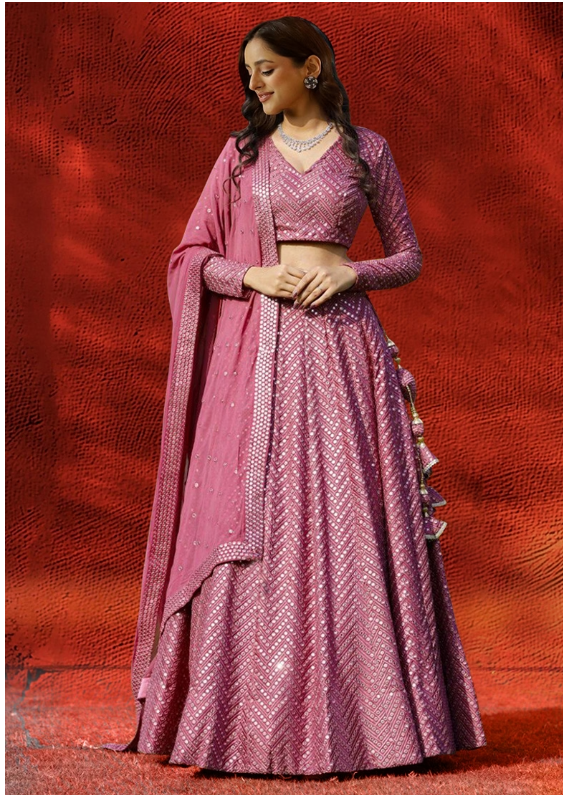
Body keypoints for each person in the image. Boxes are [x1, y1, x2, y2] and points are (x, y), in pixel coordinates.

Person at [103, 15, 487, 777]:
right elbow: (191, 255)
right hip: (260, 356)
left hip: (346, 354)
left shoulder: (366, 150)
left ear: (310, 66)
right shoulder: (242, 154)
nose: (254, 84)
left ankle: (377, 726)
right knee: (257, 517)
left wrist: (350, 272)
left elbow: (408, 255)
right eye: (247, 72)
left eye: (266, 68)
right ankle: (239, 726)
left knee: (352, 520)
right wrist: (253, 274)